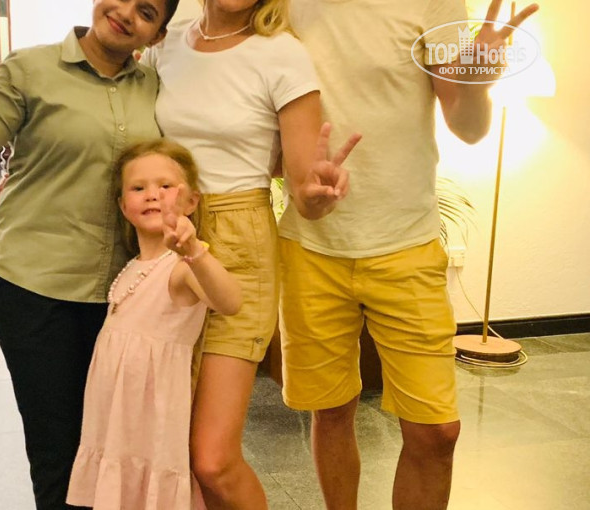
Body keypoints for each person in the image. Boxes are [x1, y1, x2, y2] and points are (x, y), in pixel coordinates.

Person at [278, 0, 540, 508]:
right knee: (331, 411)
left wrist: (477, 79)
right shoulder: (281, 7)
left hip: (407, 244)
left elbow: (468, 127)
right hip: (311, 246)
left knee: (437, 432)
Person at [0, 0, 180, 508]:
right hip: (34, 288)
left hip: (119, 296)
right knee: (58, 452)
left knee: (107, 446)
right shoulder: (30, 68)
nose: (126, 13)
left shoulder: (153, 87)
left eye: (147, 12)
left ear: (155, 37)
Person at [141, 1, 354, 507]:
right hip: (166, 239)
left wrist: (316, 195)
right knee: (176, 450)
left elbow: (302, 186)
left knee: (212, 459)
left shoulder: (281, 54)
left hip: (240, 244)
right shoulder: (167, 43)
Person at [67, 138, 242, 509]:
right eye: (138, 188)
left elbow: (229, 301)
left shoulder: (181, 268)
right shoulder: (131, 267)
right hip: (119, 420)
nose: (152, 195)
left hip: (154, 420)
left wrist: (194, 252)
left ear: (191, 201)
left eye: (165, 186)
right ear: (122, 205)